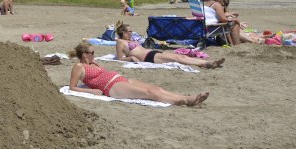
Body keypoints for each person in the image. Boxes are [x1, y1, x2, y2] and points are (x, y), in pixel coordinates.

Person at [69, 43, 209, 106]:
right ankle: (186, 100)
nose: (94, 55)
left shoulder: (94, 63)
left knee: (155, 88)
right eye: (92, 53)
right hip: (110, 86)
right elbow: (72, 87)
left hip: (120, 79)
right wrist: (92, 91)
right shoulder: (79, 66)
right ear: (84, 54)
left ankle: (184, 97)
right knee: (149, 93)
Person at [114, 23, 224, 68]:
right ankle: (206, 64)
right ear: (124, 32)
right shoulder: (120, 42)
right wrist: (131, 58)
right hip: (148, 57)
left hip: (152, 53)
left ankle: (207, 63)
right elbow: (119, 58)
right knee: (178, 59)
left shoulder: (130, 40)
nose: (132, 33)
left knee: (180, 57)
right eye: (130, 31)